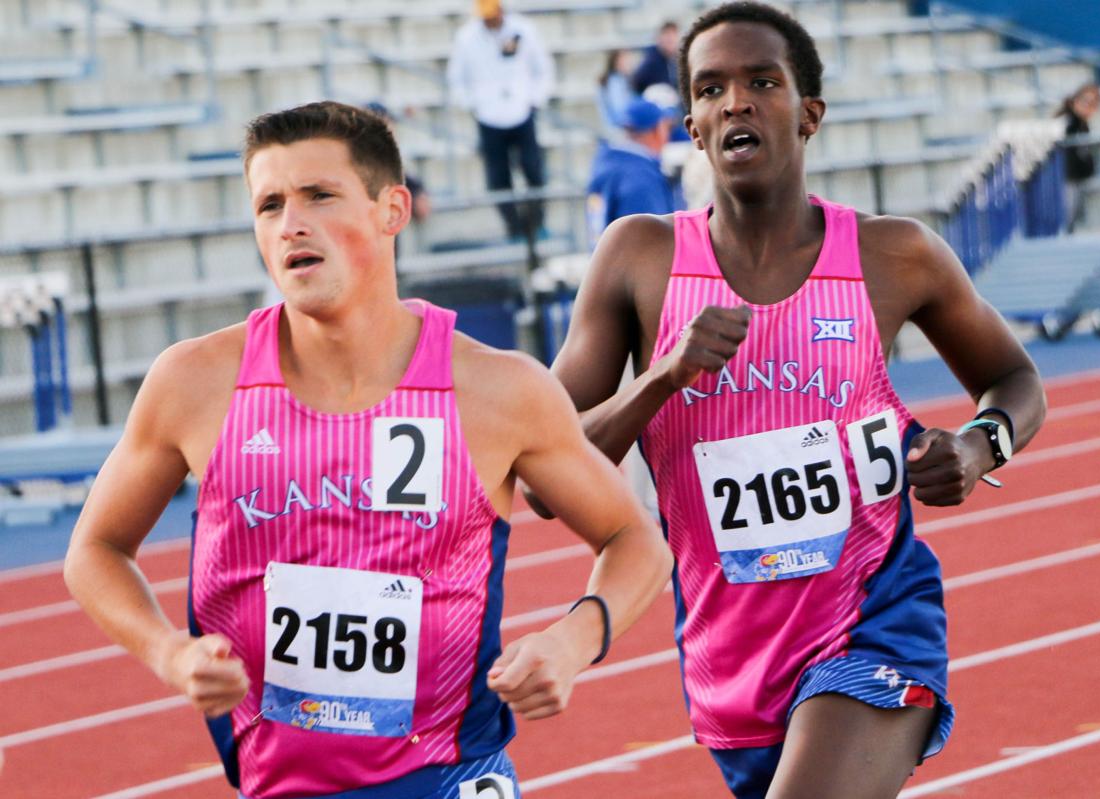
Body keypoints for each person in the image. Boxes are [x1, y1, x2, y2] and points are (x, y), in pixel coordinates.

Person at [63, 101, 671, 799]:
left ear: (393, 209)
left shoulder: (497, 389)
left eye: (319, 195)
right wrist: (168, 652)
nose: (291, 222)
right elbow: (94, 549)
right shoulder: (195, 383)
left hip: (451, 775)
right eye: (269, 205)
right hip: (277, 785)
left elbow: (635, 539)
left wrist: (572, 639)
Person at [543, 3, 1047, 797]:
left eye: (761, 82)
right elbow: (547, 472)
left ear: (808, 114)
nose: (734, 102)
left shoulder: (893, 254)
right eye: (711, 90)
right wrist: (659, 378)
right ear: (693, 128)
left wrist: (979, 445)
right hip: (730, 660)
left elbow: (1015, 381)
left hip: (874, 623)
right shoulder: (639, 259)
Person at [447, 0, 555, 241]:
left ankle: (537, 223)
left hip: (521, 111)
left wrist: (534, 99)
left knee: (533, 170)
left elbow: (543, 67)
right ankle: (514, 226)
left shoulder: (523, 29)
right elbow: (457, 78)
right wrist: (473, 104)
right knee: (498, 178)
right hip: (488, 115)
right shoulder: (466, 37)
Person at [585, 98, 677, 247]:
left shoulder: (609, 165)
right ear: (657, 130)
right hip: (633, 267)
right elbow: (650, 244)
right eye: (666, 127)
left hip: (605, 265)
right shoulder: (640, 177)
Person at [1056, 82, 1100, 232]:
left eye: (1094, 103)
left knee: (1072, 217)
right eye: (1086, 102)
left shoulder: (1081, 124)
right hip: (1064, 178)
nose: (1090, 107)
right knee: (1066, 218)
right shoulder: (1067, 122)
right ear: (1075, 100)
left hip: (1074, 178)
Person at [631, 21, 680, 95]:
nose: (671, 40)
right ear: (659, 39)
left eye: (673, 37)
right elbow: (637, 82)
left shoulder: (676, 59)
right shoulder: (651, 60)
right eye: (668, 37)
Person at [596, 49, 637, 135]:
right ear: (616, 63)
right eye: (626, 61)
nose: (630, 64)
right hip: (618, 131)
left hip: (618, 130)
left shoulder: (623, 80)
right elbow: (619, 111)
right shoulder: (614, 82)